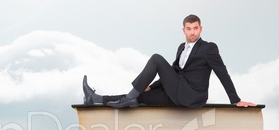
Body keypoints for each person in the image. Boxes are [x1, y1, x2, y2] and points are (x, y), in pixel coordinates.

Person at [83, 14, 256, 108]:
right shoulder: (181, 47)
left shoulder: (208, 48)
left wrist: (235, 99)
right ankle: (95, 98)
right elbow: (173, 72)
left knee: (156, 59)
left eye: (196, 28)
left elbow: (222, 73)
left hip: (192, 95)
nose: (192, 32)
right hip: (177, 92)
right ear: (184, 30)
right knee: (141, 96)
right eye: (189, 29)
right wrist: (151, 86)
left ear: (200, 28)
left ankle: (129, 97)